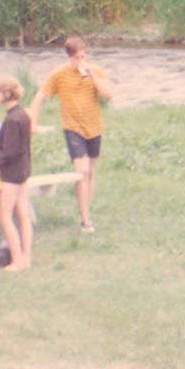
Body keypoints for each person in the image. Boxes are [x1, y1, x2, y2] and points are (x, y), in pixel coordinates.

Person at [28, 35, 113, 233]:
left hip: (94, 127)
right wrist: (33, 121)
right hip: (73, 128)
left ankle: (85, 211)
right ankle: (85, 220)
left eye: (84, 56)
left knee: (90, 172)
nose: (81, 61)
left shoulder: (95, 71)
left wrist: (93, 75)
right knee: (81, 171)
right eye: (77, 58)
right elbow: (41, 95)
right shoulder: (60, 74)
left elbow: (108, 96)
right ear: (69, 58)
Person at [0, 76, 34, 271]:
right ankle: (26, 258)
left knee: (4, 216)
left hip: (12, 173)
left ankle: (17, 261)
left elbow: (9, 151)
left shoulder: (12, 119)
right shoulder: (23, 114)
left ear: (4, 94)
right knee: (23, 214)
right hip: (23, 169)